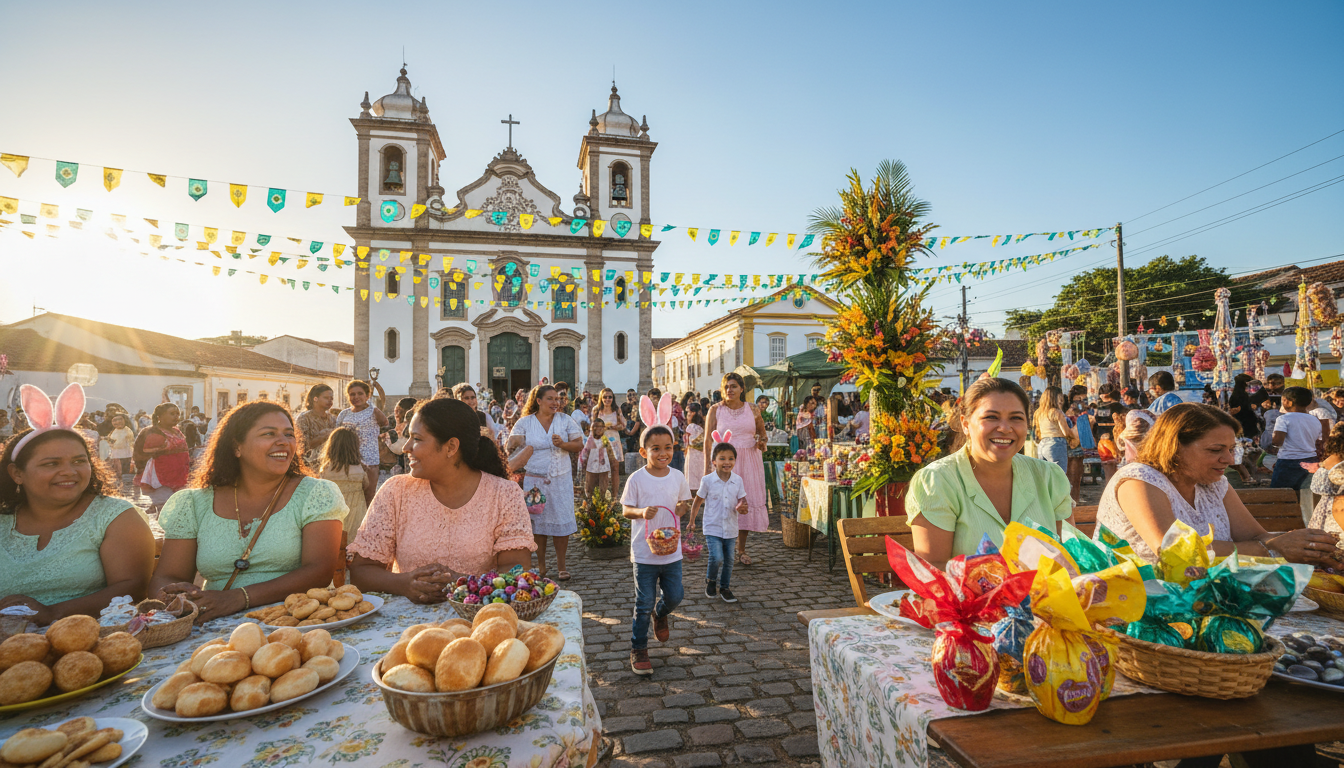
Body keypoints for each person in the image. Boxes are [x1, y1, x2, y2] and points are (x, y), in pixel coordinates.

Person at [151, 401, 348, 623]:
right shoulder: (195, 503)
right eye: (269, 434)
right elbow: (168, 576)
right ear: (237, 447)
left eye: (289, 434)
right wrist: (176, 596)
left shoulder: (315, 493)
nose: (283, 442)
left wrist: (238, 598)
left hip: (298, 622)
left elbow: (319, 571)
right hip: (213, 626)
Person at [1095, 402, 1340, 566]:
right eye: (1216, 450)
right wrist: (1274, 548)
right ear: (1174, 447)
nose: (1229, 459)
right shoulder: (1138, 480)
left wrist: (1306, 546)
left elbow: (1255, 535)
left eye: (1232, 449)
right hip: (1139, 604)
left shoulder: (1214, 483)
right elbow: (1173, 551)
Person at [348, 399, 535, 601]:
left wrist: (463, 584)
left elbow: (515, 573)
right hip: (405, 627)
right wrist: (405, 583)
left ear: (451, 447)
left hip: (479, 619)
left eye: (417, 439)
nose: (406, 448)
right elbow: (362, 572)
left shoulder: (504, 494)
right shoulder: (396, 491)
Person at [0, 384, 155, 625]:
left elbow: (133, 588)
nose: (69, 472)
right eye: (51, 464)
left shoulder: (114, 517)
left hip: (90, 641)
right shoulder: (3, 521)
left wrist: (52, 613)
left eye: (78, 461)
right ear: (17, 474)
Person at [906, 377, 1074, 569]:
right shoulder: (938, 482)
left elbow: (1071, 558)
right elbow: (934, 571)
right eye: (991, 417)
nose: (1004, 428)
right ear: (966, 424)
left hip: (1049, 598)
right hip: (966, 600)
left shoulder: (1049, 477)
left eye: (1016, 418)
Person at [621, 417, 691, 675]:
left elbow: (684, 503)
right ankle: (638, 647)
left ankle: (661, 614)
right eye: (656, 448)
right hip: (644, 552)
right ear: (643, 452)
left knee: (675, 595)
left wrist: (682, 508)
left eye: (668, 447)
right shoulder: (637, 479)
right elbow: (626, 509)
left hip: (672, 551)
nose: (664, 453)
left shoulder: (677, 476)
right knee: (643, 602)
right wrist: (641, 513)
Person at [509, 385, 582, 580]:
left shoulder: (565, 420)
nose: (555, 402)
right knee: (538, 523)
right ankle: (541, 565)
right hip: (535, 481)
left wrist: (563, 444)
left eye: (557, 399)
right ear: (538, 401)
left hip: (561, 479)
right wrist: (515, 442)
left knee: (561, 521)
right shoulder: (526, 422)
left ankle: (561, 565)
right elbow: (512, 443)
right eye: (550, 399)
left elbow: (579, 444)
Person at [703, 373, 769, 565]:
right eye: (726, 387)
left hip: (749, 461)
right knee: (723, 504)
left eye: (733, 386)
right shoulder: (715, 410)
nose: (729, 390)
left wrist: (762, 443)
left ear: (742, 389)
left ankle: (740, 550)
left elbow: (762, 434)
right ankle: (722, 548)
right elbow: (708, 440)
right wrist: (708, 466)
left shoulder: (753, 409)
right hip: (724, 463)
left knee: (743, 503)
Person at [689, 441, 748, 604]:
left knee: (729, 559)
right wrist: (692, 520)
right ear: (714, 461)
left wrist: (743, 507)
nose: (727, 462)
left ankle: (725, 587)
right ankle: (711, 580)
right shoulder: (707, 480)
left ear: (735, 461)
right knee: (716, 557)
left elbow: (743, 501)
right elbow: (698, 500)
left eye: (730, 458)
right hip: (712, 527)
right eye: (722, 458)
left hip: (730, 527)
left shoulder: (738, 480)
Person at [336, 380, 388, 506]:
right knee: (349, 497)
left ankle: (366, 524)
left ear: (367, 396)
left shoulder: (374, 412)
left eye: (360, 393)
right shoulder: (344, 414)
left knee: (368, 497)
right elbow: (336, 435)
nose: (356, 397)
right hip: (348, 460)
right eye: (352, 394)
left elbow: (385, 428)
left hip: (369, 461)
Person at [133, 402, 191, 514]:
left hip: (179, 475)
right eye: (172, 414)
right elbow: (142, 452)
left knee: (177, 506)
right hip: (161, 476)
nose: (176, 417)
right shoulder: (152, 431)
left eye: (177, 414)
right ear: (160, 416)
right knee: (165, 509)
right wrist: (161, 449)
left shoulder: (176, 431)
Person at [319, 426, 373, 542]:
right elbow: (367, 486)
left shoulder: (326, 470)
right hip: (356, 515)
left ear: (331, 446)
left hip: (332, 516)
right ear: (354, 447)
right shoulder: (359, 469)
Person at [1269, 386, 1323, 490]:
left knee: (1280, 494)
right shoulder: (1315, 420)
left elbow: (1278, 442)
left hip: (1288, 462)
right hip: (1311, 460)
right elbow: (1318, 443)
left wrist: (1271, 439)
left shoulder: (1283, 418)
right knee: (1305, 494)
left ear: (1287, 402)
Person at [1032, 386, 1074, 475]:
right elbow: (1066, 432)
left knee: (1045, 477)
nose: (1062, 399)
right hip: (1056, 444)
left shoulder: (1039, 412)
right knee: (1059, 476)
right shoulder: (1056, 412)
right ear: (1055, 397)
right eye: (1060, 396)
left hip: (1042, 445)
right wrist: (1074, 436)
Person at [295, 384, 337, 466]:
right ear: (315, 398)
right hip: (310, 464)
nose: (330, 401)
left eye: (331, 398)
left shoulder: (333, 418)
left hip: (330, 464)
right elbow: (302, 446)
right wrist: (324, 436)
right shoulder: (304, 418)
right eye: (326, 398)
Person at [579, 418, 618, 496]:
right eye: (596, 426)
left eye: (601, 427)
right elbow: (584, 456)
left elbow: (611, 456)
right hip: (591, 469)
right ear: (592, 428)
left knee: (603, 489)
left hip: (603, 469)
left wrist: (613, 463)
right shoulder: (588, 442)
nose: (598, 429)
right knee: (590, 489)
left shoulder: (606, 441)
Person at [105, 413, 136, 485]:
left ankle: (126, 481)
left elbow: (131, 442)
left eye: (120, 419)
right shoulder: (113, 431)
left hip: (126, 453)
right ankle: (120, 481)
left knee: (126, 468)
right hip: (116, 453)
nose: (118, 422)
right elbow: (111, 440)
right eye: (115, 420)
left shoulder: (127, 430)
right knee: (117, 468)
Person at [684, 409, 706, 494]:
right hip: (700, 453)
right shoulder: (702, 429)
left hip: (691, 452)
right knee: (699, 471)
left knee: (691, 472)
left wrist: (685, 450)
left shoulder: (690, 427)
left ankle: (692, 490)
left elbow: (687, 440)